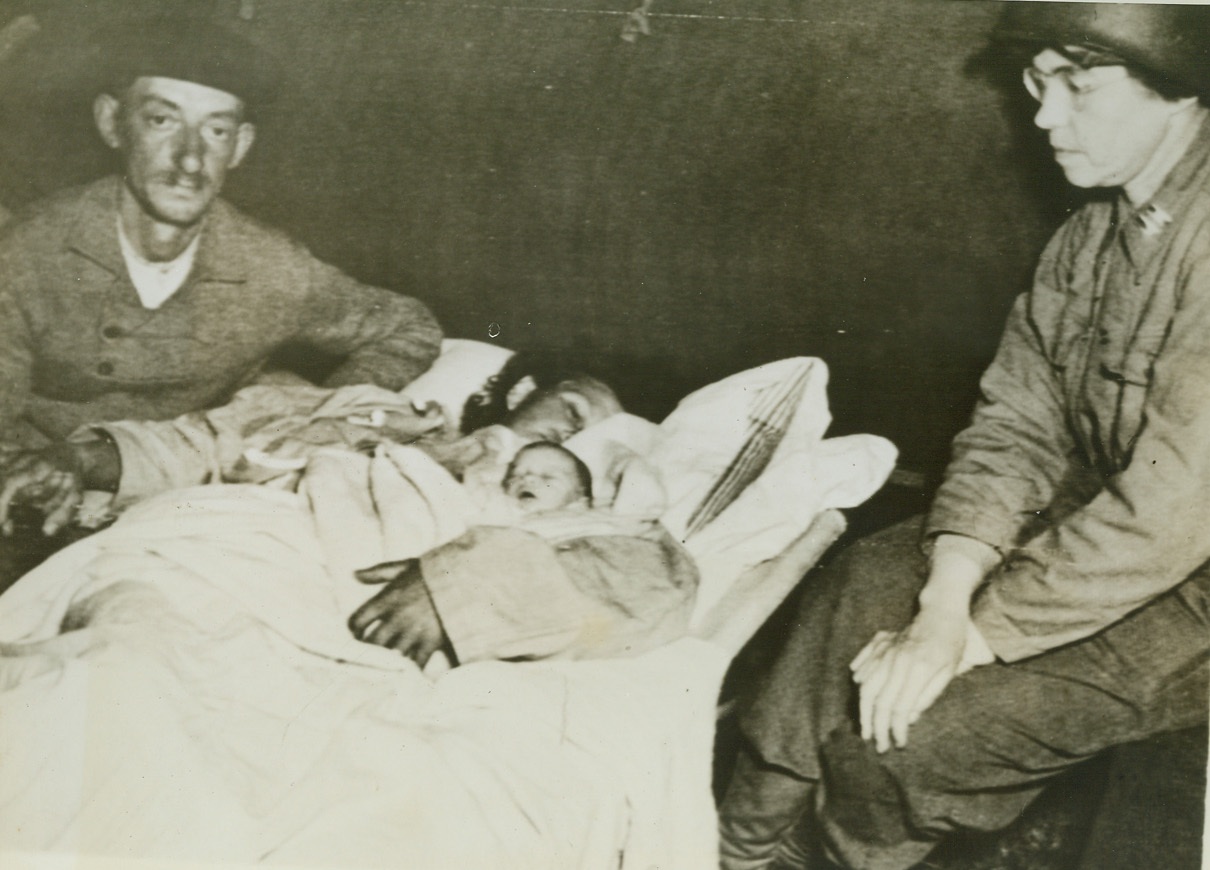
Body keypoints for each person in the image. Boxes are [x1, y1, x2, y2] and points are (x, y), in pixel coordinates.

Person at [717, 5, 1210, 869]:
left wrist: (973, 635)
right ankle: (734, 845)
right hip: (1096, 523)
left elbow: (1169, 518)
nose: (1045, 116)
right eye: (1037, 84)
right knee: (863, 581)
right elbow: (1017, 422)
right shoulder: (1091, 233)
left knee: (916, 733)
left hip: (1191, 590)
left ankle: (840, 856)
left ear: (1182, 94)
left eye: (1079, 87)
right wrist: (945, 602)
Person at [0, 15, 442, 448]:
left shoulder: (270, 265)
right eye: (162, 121)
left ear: (240, 146)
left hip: (193, 481)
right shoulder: (28, 252)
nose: (191, 160)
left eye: (216, 130)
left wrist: (316, 415)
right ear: (112, 122)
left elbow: (410, 328)